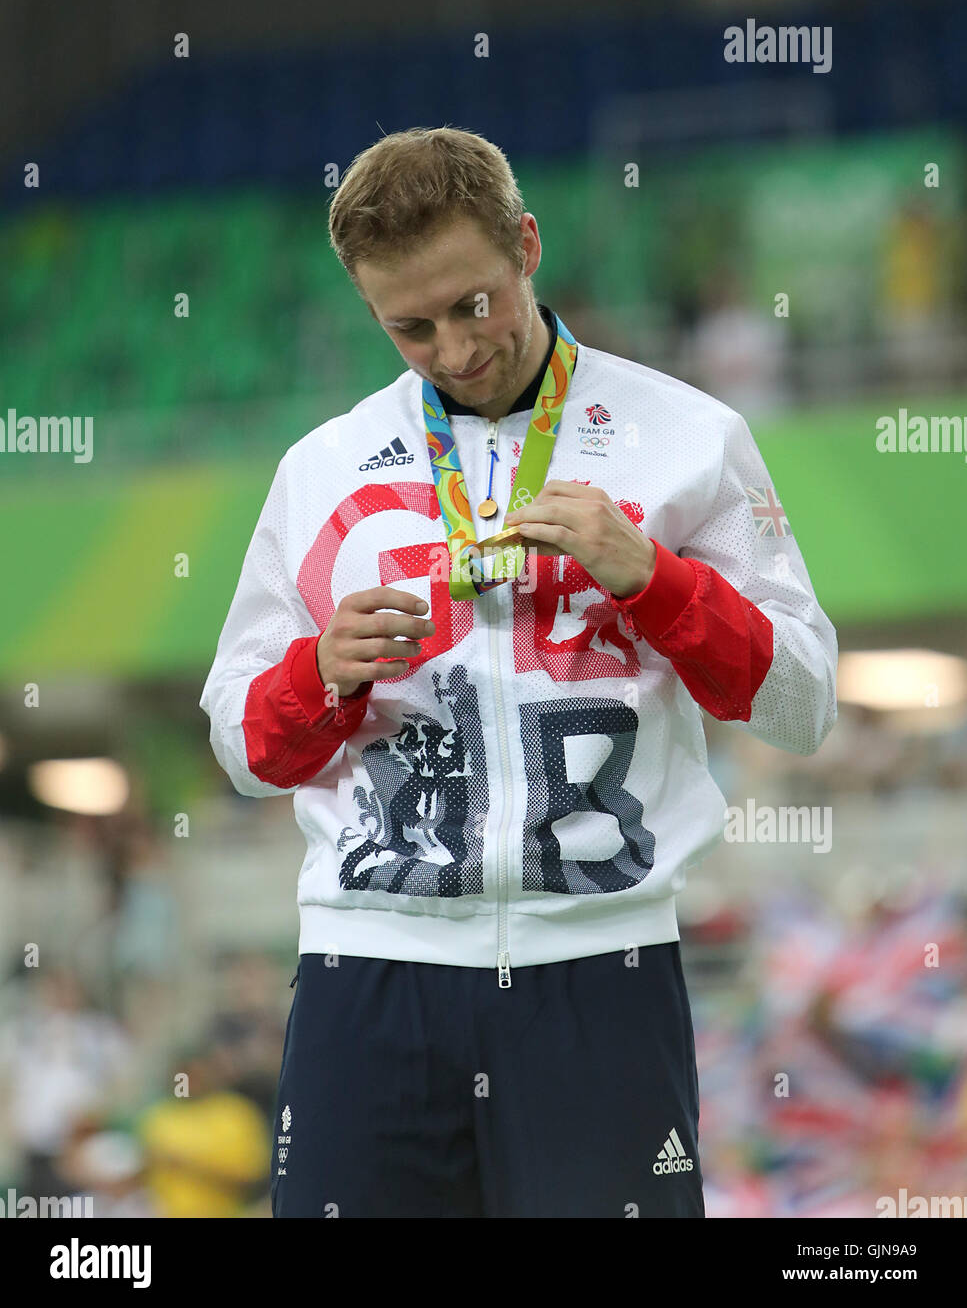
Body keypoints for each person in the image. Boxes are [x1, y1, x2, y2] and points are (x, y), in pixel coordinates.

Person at [199, 126, 837, 1218]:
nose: (453, 349)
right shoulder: (319, 468)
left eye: (475, 303)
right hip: (369, 973)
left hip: (603, 968)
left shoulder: (689, 435)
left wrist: (656, 579)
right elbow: (244, 749)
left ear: (526, 246)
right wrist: (319, 673)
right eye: (409, 325)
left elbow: (800, 705)